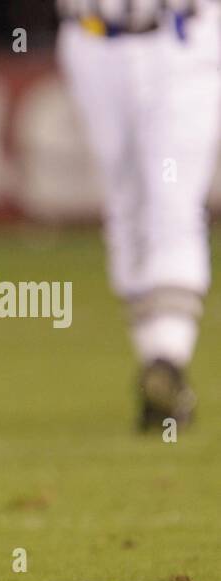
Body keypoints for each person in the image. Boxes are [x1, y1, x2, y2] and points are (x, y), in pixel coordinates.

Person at [57, 0, 220, 428]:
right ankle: (159, 364)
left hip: (181, 36)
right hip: (90, 36)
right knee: (125, 207)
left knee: (172, 201)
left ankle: (167, 358)